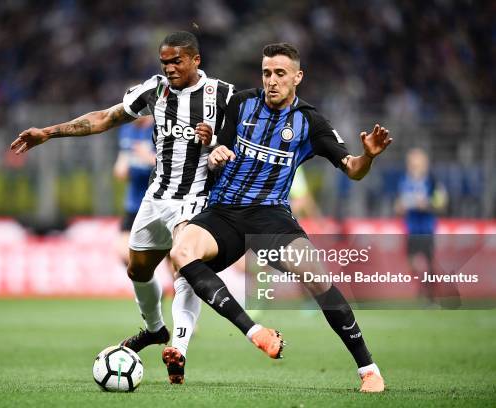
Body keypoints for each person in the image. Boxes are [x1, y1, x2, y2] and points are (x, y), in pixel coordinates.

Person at [10, 31, 235, 384]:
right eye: (165, 62)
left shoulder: (223, 94)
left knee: (184, 264)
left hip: (196, 199)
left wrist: (219, 142)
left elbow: (245, 140)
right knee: (138, 271)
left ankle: (179, 347)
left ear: (196, 60)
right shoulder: (154, 90)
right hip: (156, 197)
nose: (170, 68)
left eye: (177, 61)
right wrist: (49, 133)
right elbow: (105, 118)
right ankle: (155, 329)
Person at [169, 43, 392, 393]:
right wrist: (216, 153)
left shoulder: (310, 120)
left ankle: (369, 369)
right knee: (181, 252)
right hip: (224, 210)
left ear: (298, 77)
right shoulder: (241, 103)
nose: (271, 81)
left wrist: (368, 156)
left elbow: (352, 170)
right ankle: (255, 331)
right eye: (266, 73)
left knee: (316, 276)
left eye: (280, 74)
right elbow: (218, 148)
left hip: (270, 217)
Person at [395, 147, 448, 305]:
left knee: (429, 263)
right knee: (412, 263)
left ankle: (431, 296)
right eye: (411, 161)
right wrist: (400, 207)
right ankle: (422, 289)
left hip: (426, 228)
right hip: (411, 228)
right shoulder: (404, 181)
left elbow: (442, 204)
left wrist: (427, 204)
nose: (413, 164)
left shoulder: (432, 181)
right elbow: (398, 205)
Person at [113, 116, 156, 266]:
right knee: (124, 251)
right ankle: (152, 288)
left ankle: (182, 289)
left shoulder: (162, 128)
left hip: (160, 204)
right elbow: (121, 164)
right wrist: (121, 168)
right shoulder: (127, 130)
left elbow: (173, 164)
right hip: (135, 204)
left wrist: (148, 158)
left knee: (173, 257)